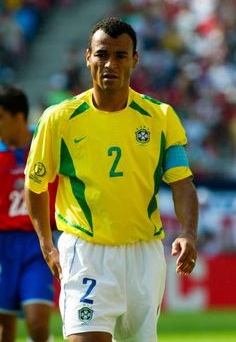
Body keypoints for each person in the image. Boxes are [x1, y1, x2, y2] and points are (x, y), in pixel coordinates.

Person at [24, 17, 199, 342]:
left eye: (120, 55)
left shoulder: (160, 117)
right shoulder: (59, 119)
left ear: (135, 59)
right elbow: (35, 185)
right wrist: (48, 246)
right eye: (102, 54)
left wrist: (188, 232)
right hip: (86, 252)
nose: (110, 63)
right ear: (88, 56)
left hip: (144, 256)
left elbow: (181, 181)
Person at [0, 85, 56, 342]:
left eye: (1, 116)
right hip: (2, 245)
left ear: (19, 116)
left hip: (38, 243)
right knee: (4, 326)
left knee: (37, 324)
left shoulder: (45, 144)